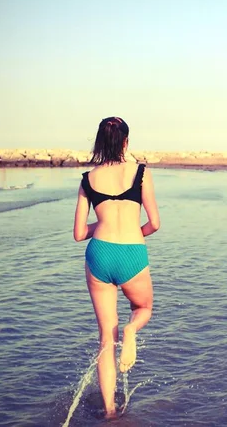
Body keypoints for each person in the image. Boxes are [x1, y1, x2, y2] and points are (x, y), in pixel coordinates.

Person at [73, 116, 160, 418]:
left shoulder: (87, 179)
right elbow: (155, 224)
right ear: (125, 142)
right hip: (132, 253)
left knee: (106, 339)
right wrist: (134, 232)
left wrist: (104, 223)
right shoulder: (141, 173)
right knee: (144, 308)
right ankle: (132, 330)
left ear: (99, 143)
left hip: (99, 253)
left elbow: (78, 233)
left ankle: (109, 412)